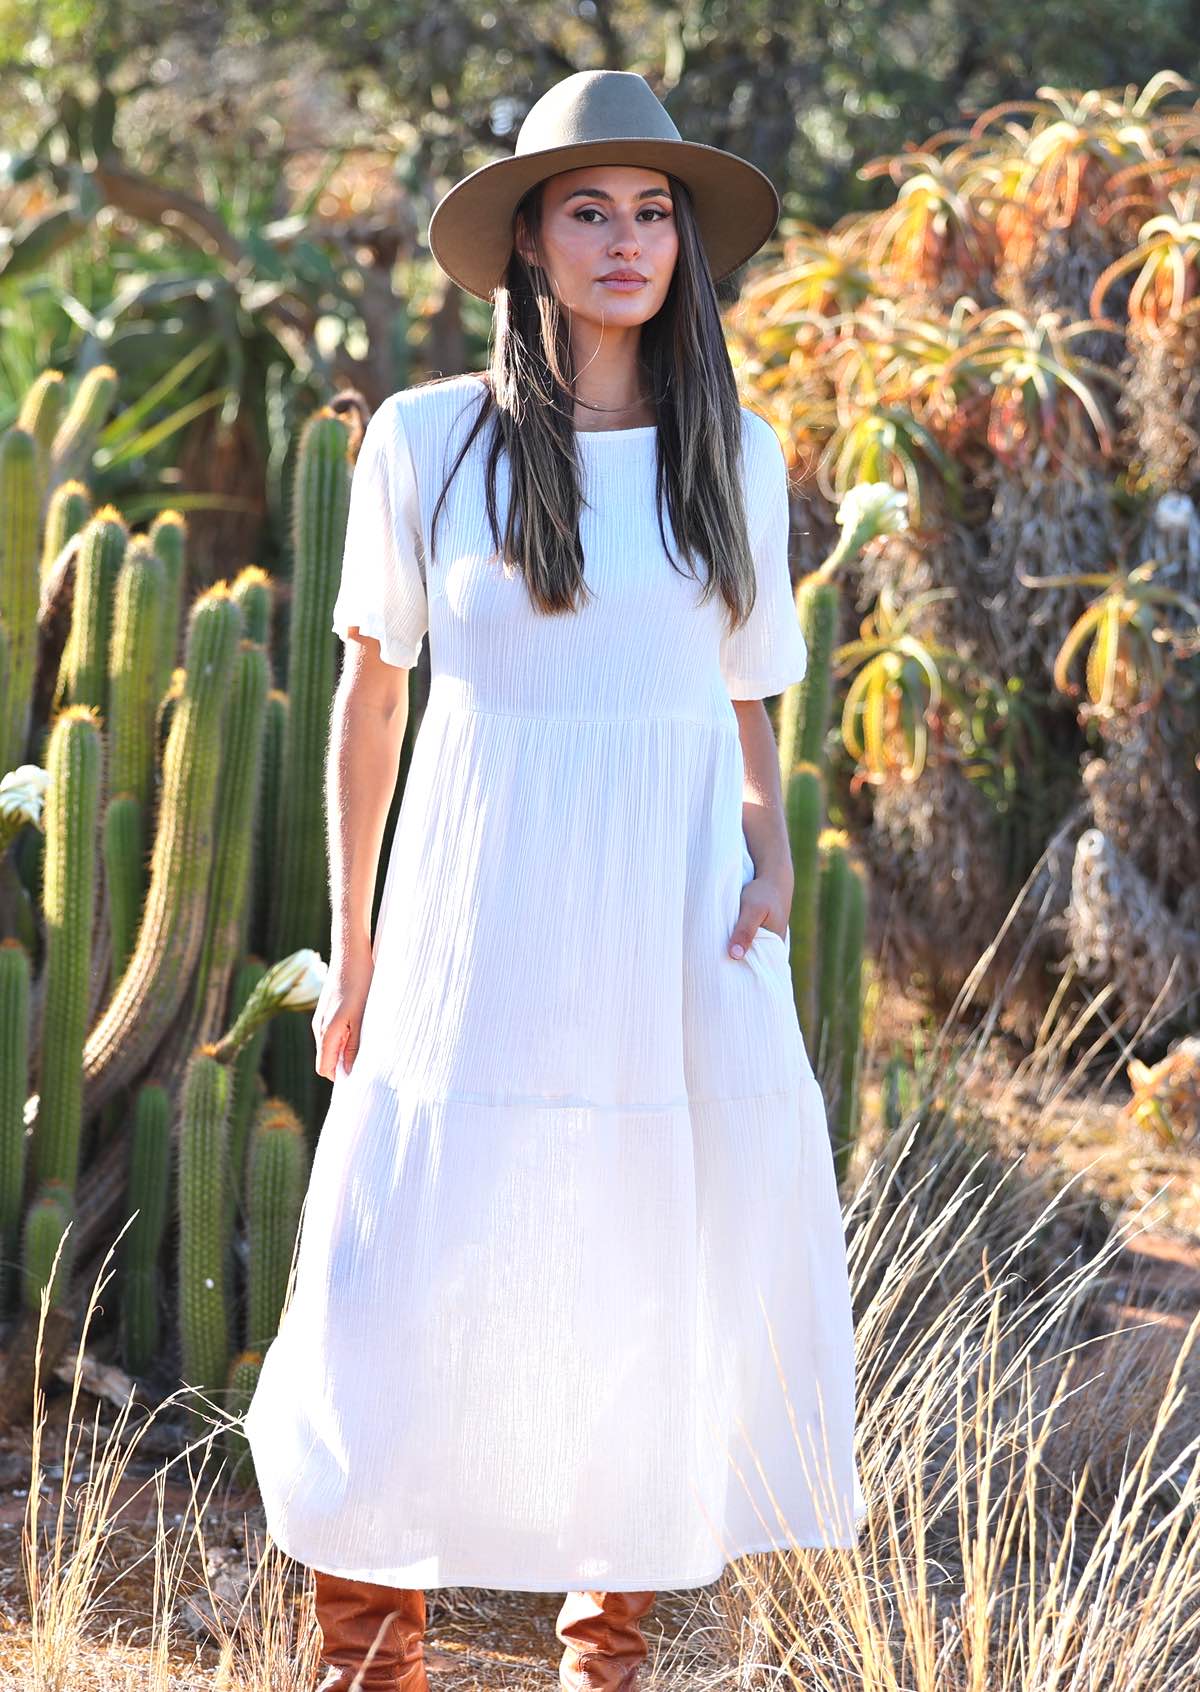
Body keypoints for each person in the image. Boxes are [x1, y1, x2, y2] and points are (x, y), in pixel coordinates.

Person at [244, 67, 867, 1692]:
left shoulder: (736, 451)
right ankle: (372, 1663)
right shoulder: (427, 440)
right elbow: (372, 700)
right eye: (587, 210)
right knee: (391, 1272)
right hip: (474, 907)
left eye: (652, 212)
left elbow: (749, 697)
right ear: (525, 240)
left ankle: (608, 1663)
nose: (626, 240)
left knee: (645, 1267)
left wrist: (771, 865)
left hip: (669, 918)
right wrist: (354, 941)